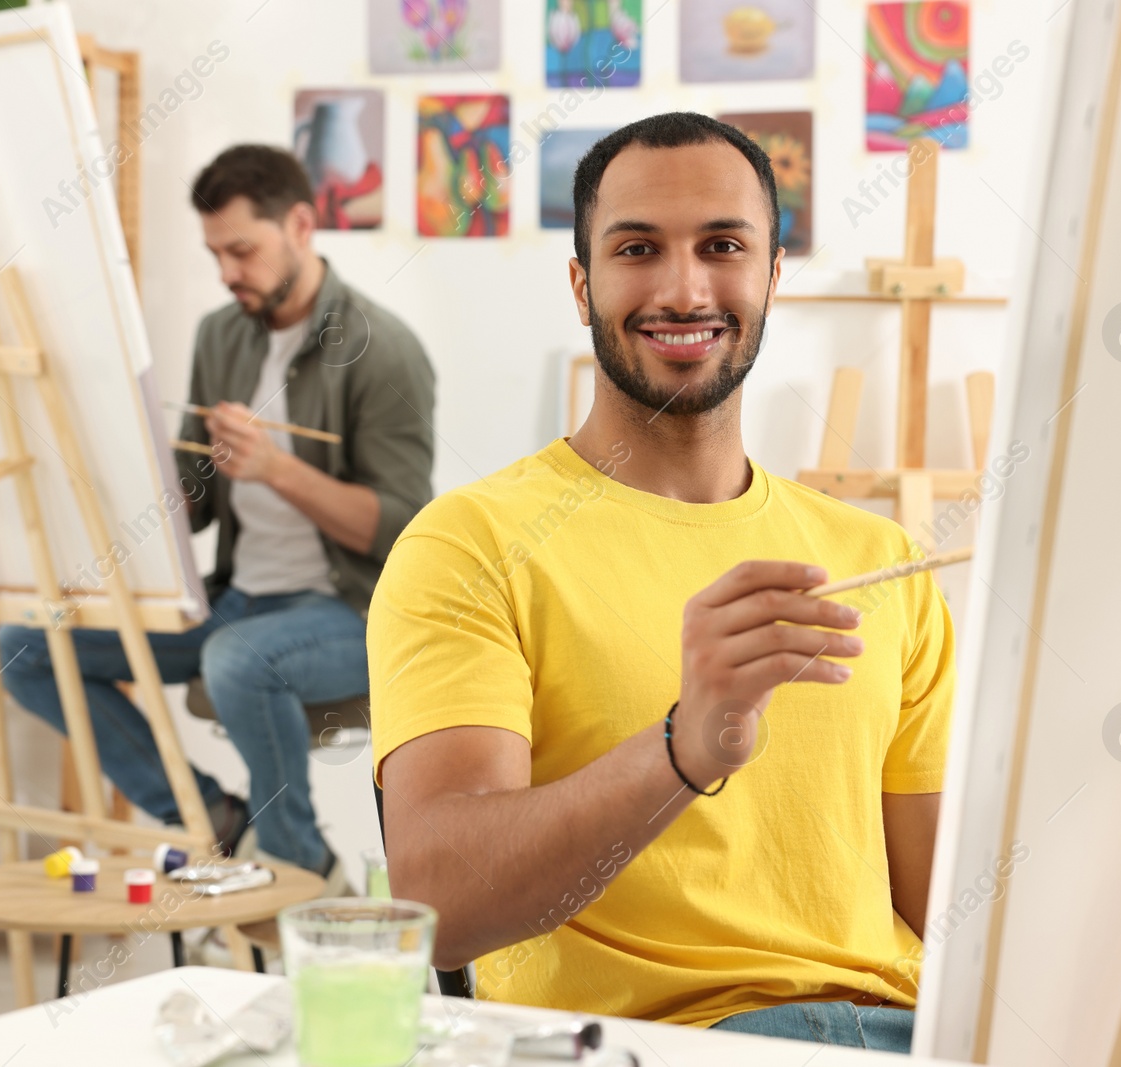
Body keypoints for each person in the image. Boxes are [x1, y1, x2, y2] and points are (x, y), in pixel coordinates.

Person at [367, 112, 954, 1052]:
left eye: (723, 246)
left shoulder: (883, 558)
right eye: (638, 248)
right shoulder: (470, 543)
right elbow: (435, 900)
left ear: (771, 276)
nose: (684, 289)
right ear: (581, 283)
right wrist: (686, 746)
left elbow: (952, 910)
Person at [1, 144, 435, 891]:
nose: (229, 272)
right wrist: (121, 482)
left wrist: (276, 467)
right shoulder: (220, 334)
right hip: (238, 596)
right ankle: (211, 818)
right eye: (216, 254)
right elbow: (196, 503)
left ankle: (305, 866)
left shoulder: (383, 349)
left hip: (352, 609)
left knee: (237, 656)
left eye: (243, 250)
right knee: (30, 646)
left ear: (300, 225)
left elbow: (403, 529)